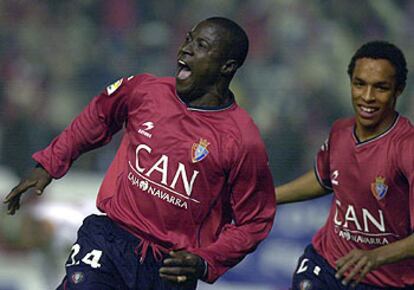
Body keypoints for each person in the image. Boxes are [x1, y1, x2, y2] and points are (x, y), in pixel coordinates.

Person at [4, 17, 276, 290]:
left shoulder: (242, 141)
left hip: (170, 267)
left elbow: (254, 221)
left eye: (201, 45)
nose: (185, 49)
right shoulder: (145, 91)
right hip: (110, 240)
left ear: (226, 66)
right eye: (188, 39)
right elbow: (98, 116)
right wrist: (49, 164)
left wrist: (205, 260)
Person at [276, 40, 414, 289]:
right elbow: (323, 178)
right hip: (327, 265)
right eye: (359, 84)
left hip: (388, 282)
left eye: (380, 88)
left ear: (398, 90)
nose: (368, 97)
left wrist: (376, 256)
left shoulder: (407, 148)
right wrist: (270, 197)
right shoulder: (341, 131)